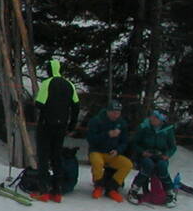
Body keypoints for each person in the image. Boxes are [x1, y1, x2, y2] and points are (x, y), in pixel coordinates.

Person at [32, 57, 79, 201]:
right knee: (56, 156)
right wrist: (72, 124)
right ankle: (57, 190)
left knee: (43, 155)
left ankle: (43, 189)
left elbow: (39, 103)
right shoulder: (69, 84)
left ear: (49, 71)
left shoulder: (47, 83)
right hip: (61, 126)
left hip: (46, 125)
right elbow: (76, 105)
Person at [84, 99, 135, 201]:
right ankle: (98, 185)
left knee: (127, 164)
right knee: (97, 162)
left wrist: (118, 150)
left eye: (118, 113)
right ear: (108, 111)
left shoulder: (122, 123)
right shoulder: (96, 121)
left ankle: (112, 187)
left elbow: (124, 142)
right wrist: (107, 135)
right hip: (97, 151)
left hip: (112, 153)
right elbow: (91, 139)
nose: (116, 115)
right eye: (114, 112)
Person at [129, 108, 177, 203]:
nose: (152, 119)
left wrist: (167, 155)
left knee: (162, 166)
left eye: (156, 118)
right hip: (144, 155)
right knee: (148, 165)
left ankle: (170, 192)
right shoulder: (144, 127)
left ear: (161, 120)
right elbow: (134, 143)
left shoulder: (167, 130)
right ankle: (134, 190)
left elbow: (172, 147)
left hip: (160, 155)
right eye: (152, 116)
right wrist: (142, 152)